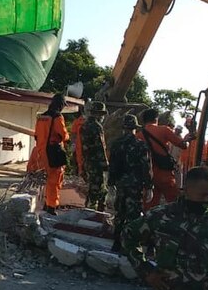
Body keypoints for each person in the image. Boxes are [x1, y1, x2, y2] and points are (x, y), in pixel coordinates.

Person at [108, 114, 152, 251]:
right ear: (135, 129)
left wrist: (111, 183)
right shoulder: (140, 145)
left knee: (119, 213)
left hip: (120, 183)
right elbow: (146, 166)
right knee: (133, 214)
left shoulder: (116, 144)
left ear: (123, 128)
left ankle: (116, 243)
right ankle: (131, 245)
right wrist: (149, 186)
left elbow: (112, 165)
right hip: (135, 184)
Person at [140, 107, 192, 210]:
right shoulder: (164, 130)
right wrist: (187, 139)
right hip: (165, 175)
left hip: (147, 176)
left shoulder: (138, 135)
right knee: (177, 205)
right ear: (156, 119)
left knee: (149, 207)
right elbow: (182, 145)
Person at [27, 93, 70, 214]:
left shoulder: (41, 117)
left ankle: (47, 203)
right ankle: (51, 206)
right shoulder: (57, 117)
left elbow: (36, 135)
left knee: (45, 179)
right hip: (53, 151)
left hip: (40, 151)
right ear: (60, 105)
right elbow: (63, 135)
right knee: (54, 180)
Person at [80, 101, 109, 211]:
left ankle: (90, 210)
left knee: (92, 187)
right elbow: (100, 147)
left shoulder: (84, 125)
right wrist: (105, 164)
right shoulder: (97, 127)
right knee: (98, 189)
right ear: (98, 114)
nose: (102, 117)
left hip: (88, 161)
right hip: (97, 163)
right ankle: (95, 213)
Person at [71, 103, 87, 173]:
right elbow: (73, 134)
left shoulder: (77, 121)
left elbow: (73, 135)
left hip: (79, 147)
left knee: (78, 165)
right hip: (83, 146)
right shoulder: (87, 120)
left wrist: (73, 145)